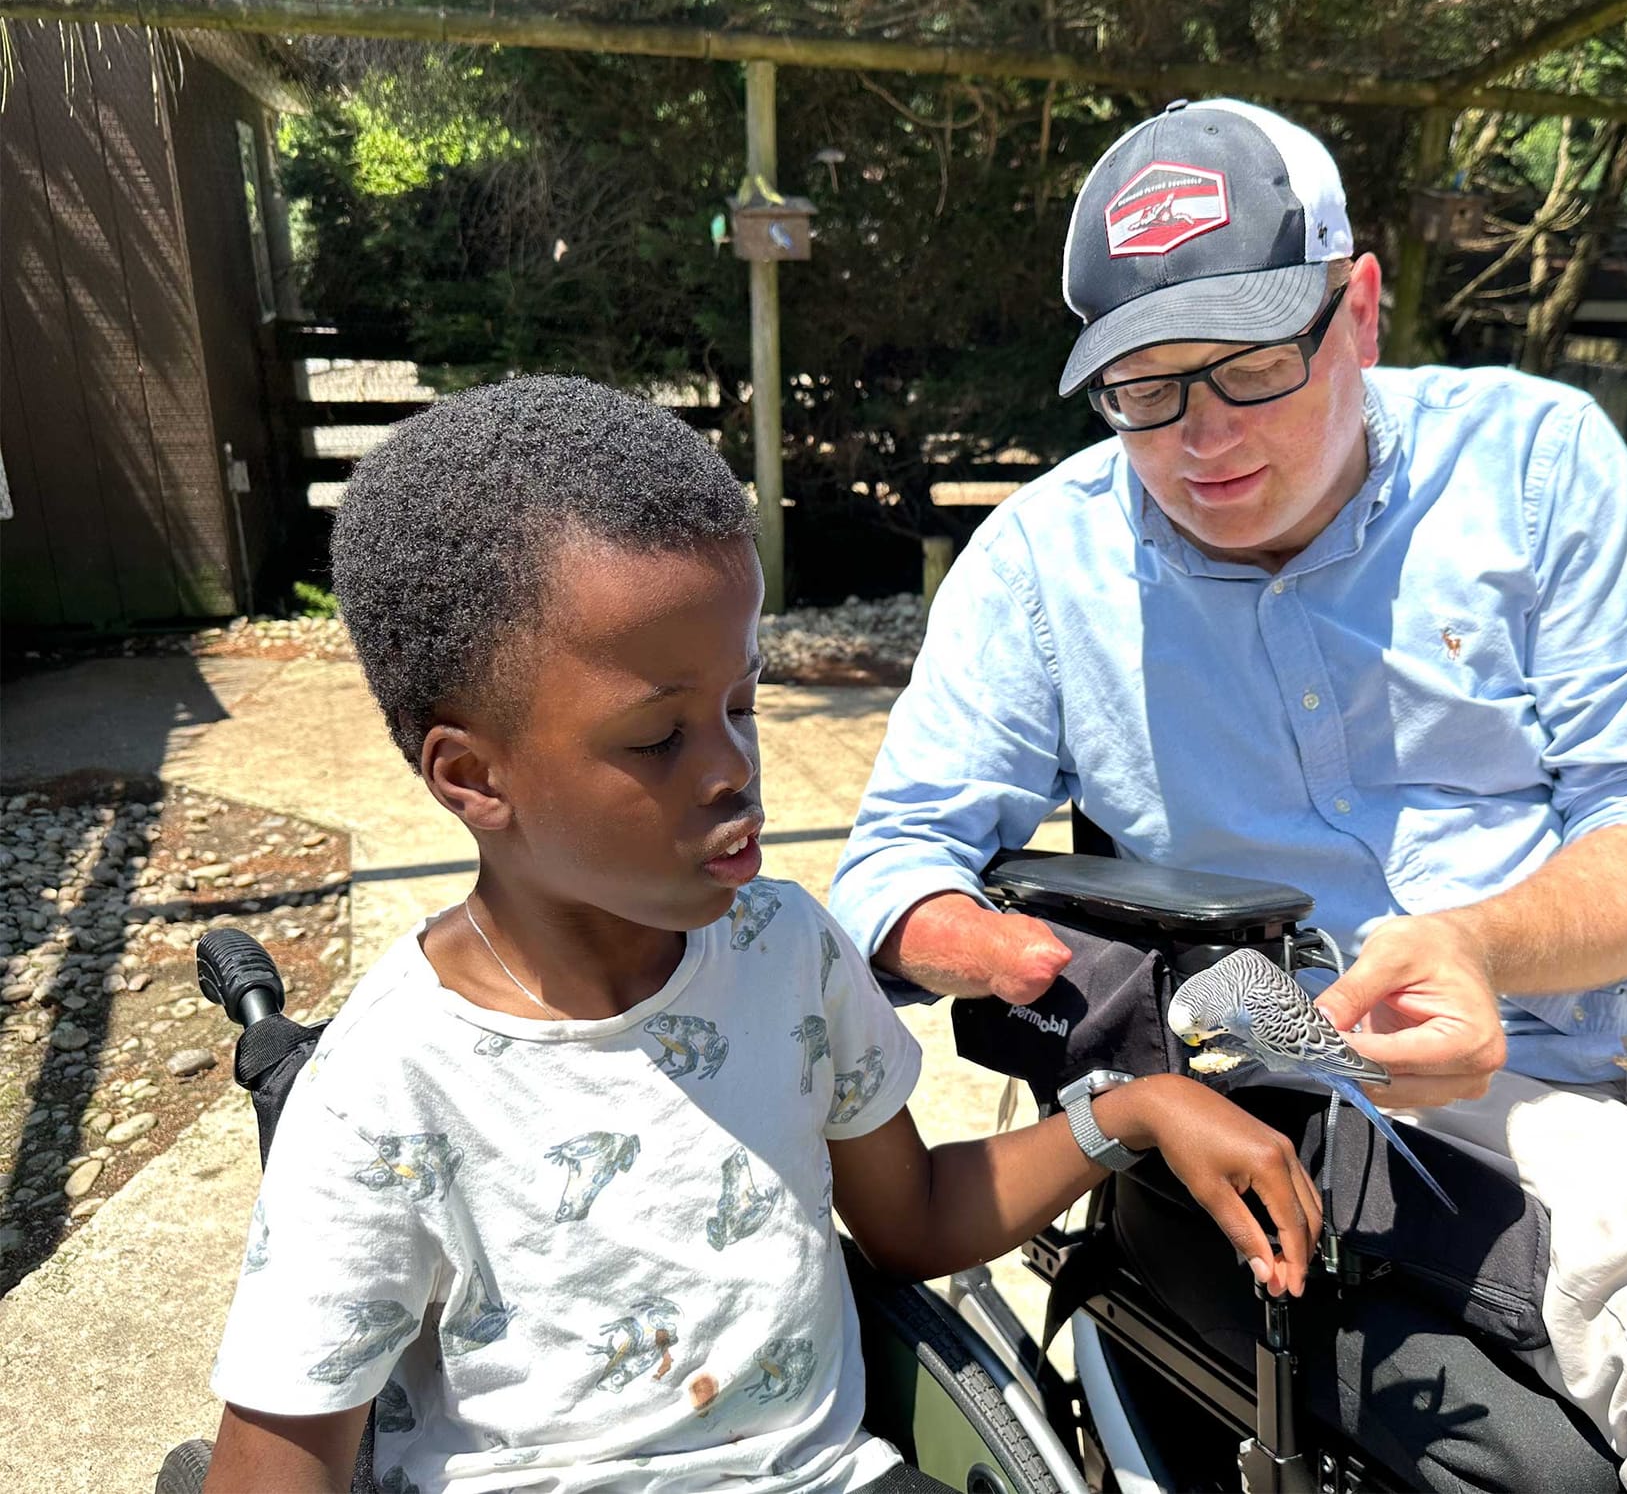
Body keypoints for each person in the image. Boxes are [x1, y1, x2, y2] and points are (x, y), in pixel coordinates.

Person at [829, 99, 1627, 1491]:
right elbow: (891, 871)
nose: (1201, 436)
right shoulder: (1040, 565)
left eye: (1253, 364)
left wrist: (1482, 945)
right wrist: (1060, 963)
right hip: (1365, 1067)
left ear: (1359, 308)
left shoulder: (1536, 463)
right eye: (1146, 388)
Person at [200, 376, 1322, 1494]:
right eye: (657, 741)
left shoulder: (785, 951)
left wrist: (1133, 1110)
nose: (733, 768)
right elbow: (276, 1466)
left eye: (741, 704)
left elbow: (914, 1220)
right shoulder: (384, 1090)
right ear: (471, 775)